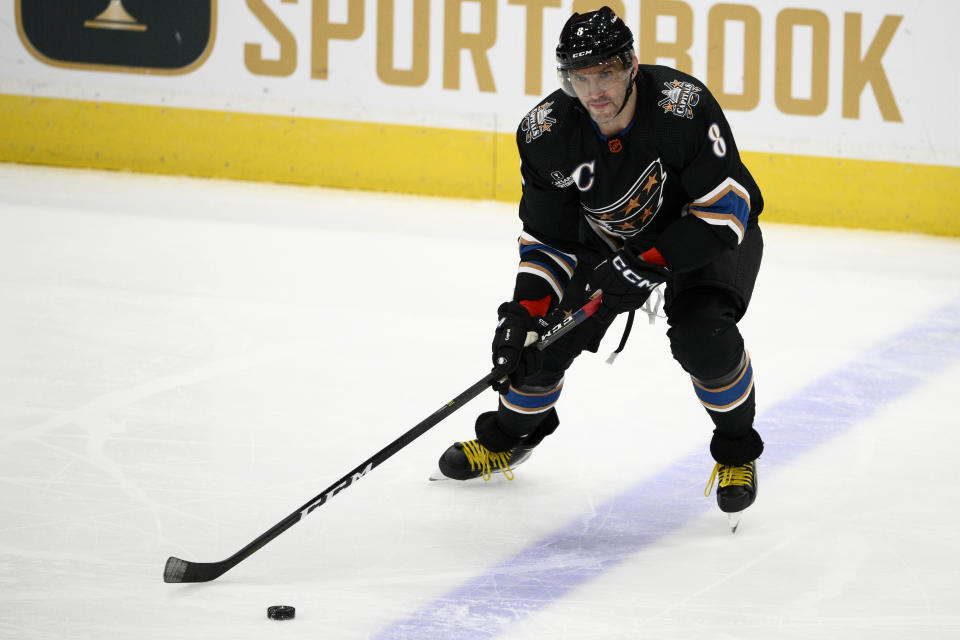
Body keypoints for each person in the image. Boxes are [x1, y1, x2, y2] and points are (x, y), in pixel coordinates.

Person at [435, 6, 764, 518]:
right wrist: (525, 311)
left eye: (606, 73)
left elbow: (727, 211)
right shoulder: (545, 134)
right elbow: (549, 239)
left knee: (705, 340)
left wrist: (648, 263)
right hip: (608, 246)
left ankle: (738, 452)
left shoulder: (684, 106)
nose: (595, 91)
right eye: (580, 77)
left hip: (701, 236)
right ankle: (507, 438)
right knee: (538, 346)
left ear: (632, 64)